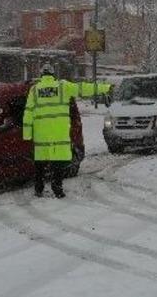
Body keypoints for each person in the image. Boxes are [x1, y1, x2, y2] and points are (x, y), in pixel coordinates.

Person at [23, 64, 112, 198]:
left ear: (42, 75)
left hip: (41, 136)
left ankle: (39, 188)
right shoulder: (62, 86)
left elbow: (28, 113)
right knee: (57, 164)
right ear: (53, 75)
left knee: (40, 165)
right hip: (59, 134)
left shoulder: (34, 90)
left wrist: (27, 135)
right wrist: (106, 88)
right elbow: (82, 88)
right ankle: (57, 189)